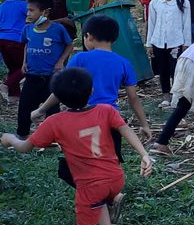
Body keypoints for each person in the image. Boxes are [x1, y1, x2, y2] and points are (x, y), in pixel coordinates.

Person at [0, 67, 155, 225]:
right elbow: (126, 131)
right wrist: (145, 155)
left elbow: (27, 147)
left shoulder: (55, 122)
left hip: (89, 185)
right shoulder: (105, 110)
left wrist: (10, 140)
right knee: (101, 199)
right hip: (115, 178)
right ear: (92, 90)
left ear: (59, 98)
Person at [31, 15, 155, 156]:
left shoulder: (80, 58)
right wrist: (144, 124)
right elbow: (133, 98)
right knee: (111, 158)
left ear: (88, 36)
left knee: (81, 160)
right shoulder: (123, 63)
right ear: (114, 38)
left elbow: (61, 90)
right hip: (110, 119)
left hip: (80, 117)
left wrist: (41, 110)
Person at [16, 0, 73, 137]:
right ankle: (22, 135)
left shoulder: (57, 29)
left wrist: (60, 62)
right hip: (32, 76)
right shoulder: (27, 29)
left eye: (31, 10)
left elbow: (69, 45)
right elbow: (27, 45)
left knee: (52, 109)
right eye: (27, 10)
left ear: (45, 12)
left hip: (51, 77)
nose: (28, 14)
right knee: (25, 107)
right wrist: (24, 62)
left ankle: (50, 137)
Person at [147, 0, 192, 110]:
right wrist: (149, 44)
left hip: (176, 42)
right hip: (159, 42)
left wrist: (186, 44)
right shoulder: (154, 3)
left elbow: (186, 25)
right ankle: (166, 97)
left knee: (176, 70)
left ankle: (176, 96)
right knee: (163, 70)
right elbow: (151, 24)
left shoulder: (183, 3)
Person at [0, 0, 29, 102]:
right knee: (27, 66)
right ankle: (5, 85)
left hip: (2, 40)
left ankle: (13, 96)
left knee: (13, 67)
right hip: (17, 40)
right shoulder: (24, 6)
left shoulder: (3, 5)